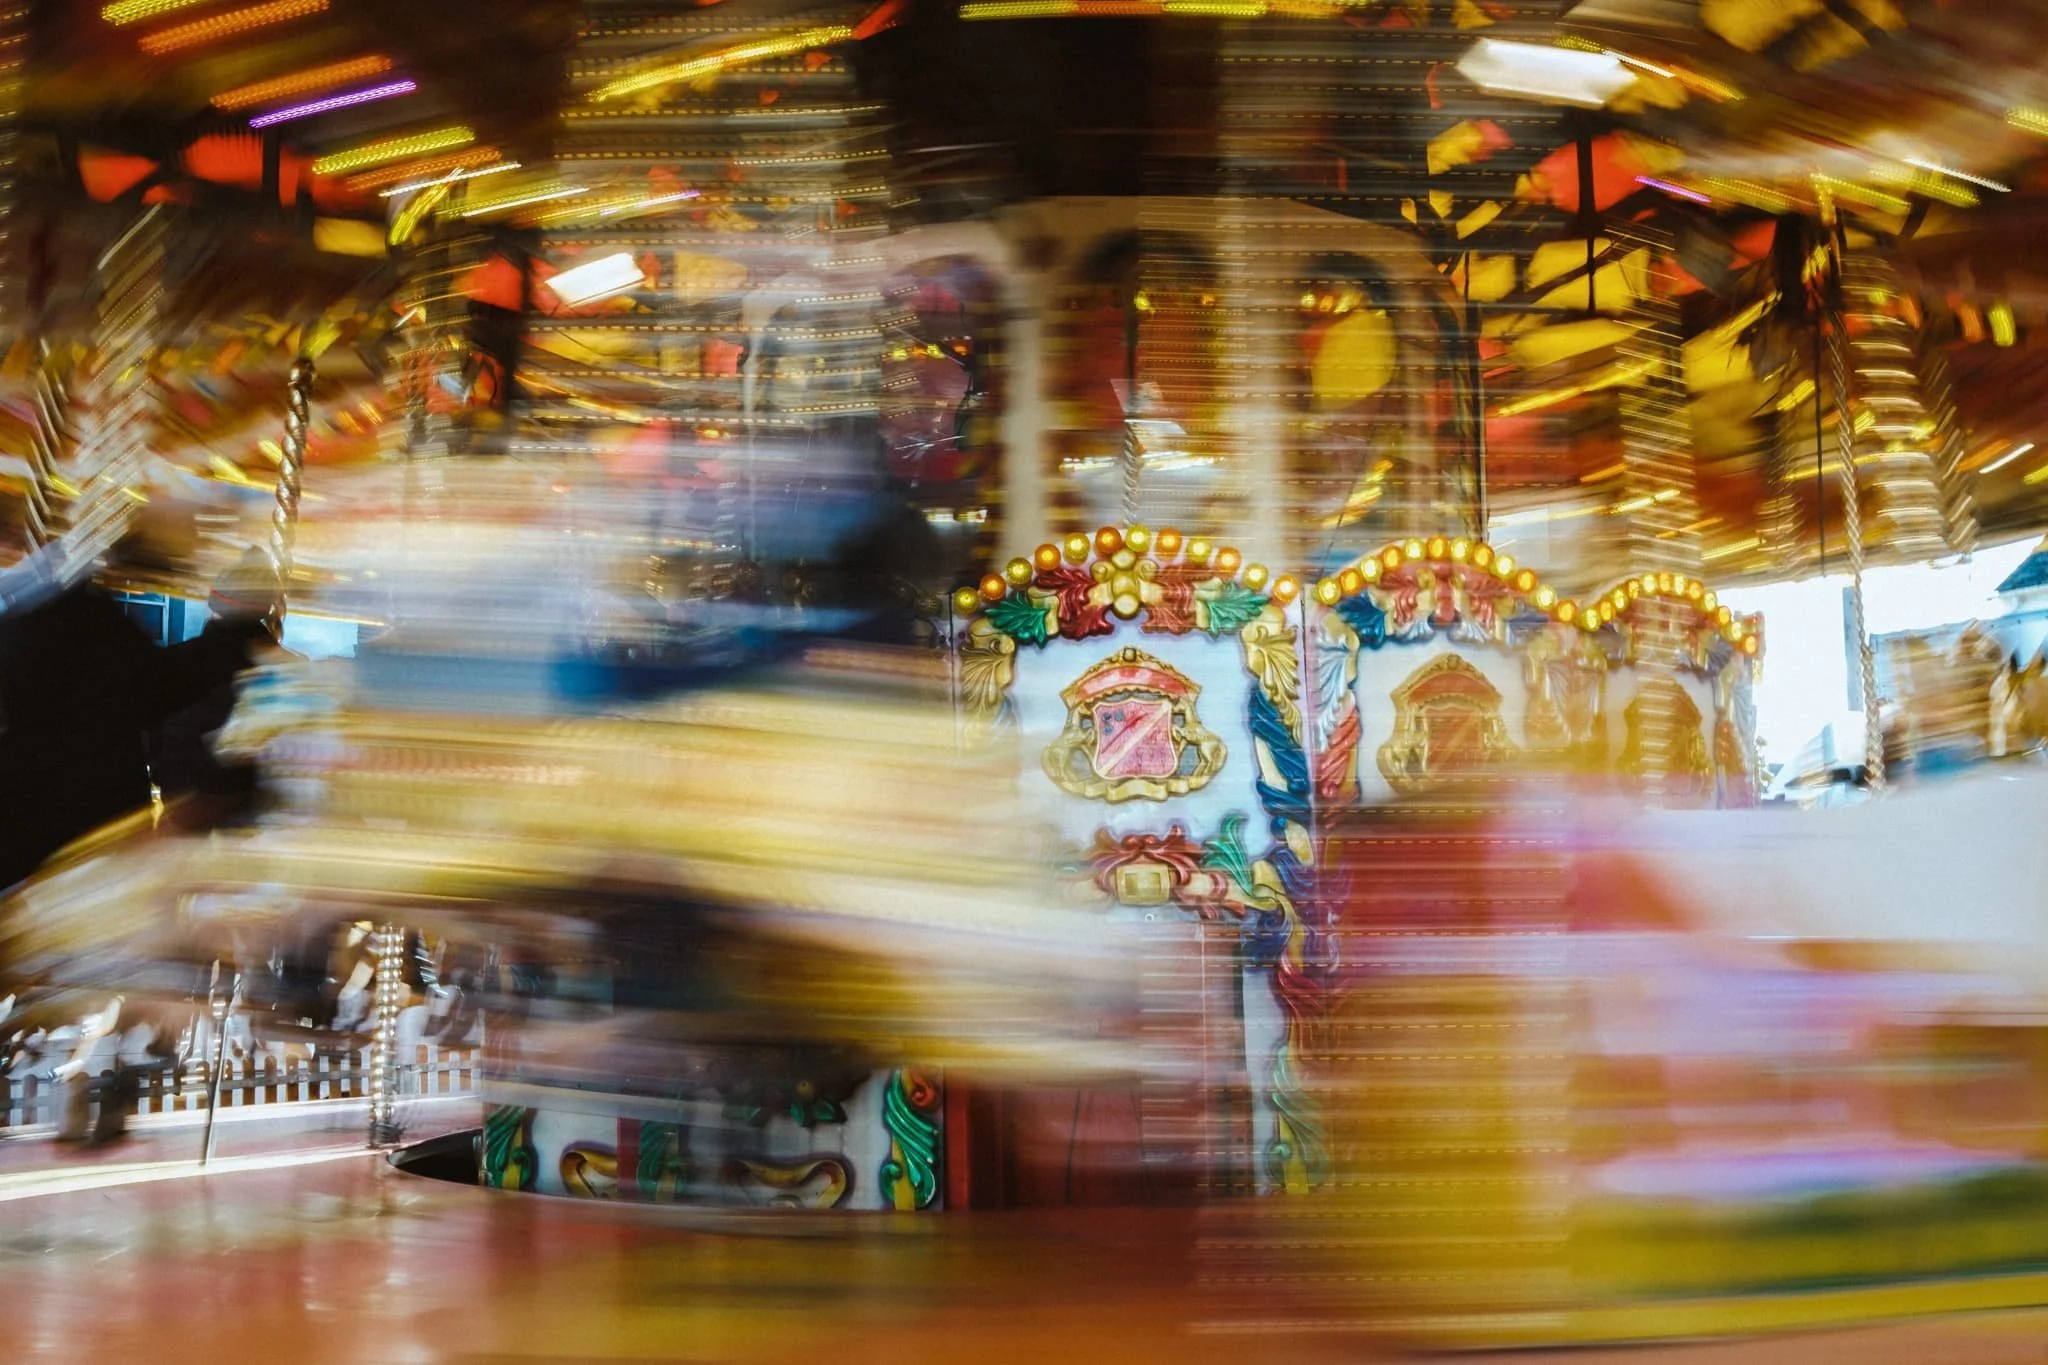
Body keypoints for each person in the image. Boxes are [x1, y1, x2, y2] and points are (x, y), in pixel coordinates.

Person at [0, 520, 280, 892]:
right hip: (75, 846)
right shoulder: (68, 618)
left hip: (65, 847)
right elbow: (153, 689)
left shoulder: (45, 616)